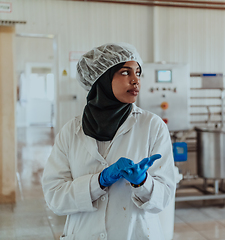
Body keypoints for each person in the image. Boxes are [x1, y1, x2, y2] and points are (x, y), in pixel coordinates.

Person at [42, 43, 176, 240]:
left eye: (138, 72)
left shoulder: (152, 126)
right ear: (101, 79)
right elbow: (55, 197)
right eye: (125, 72)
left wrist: (143, 182)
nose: (136, 80)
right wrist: (99, 181)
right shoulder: (71, 131)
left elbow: (163, 198)